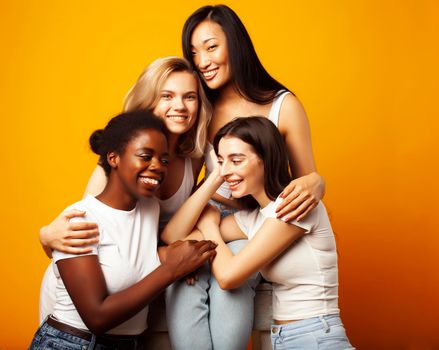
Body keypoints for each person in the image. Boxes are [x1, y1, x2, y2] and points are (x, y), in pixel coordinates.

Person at [162, 5, 326, 349]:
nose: (203, 61)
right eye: (194, 53)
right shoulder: (200, 107)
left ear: (235, 44)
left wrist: (318, 182)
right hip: (209, 215)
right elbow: (188, 186)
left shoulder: (283, 105)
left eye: (211, 47)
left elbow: (306, 180)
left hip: (255, 224)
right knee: (185, 279)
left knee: (233, 278)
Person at [38, 56, 218, 322]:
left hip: (138, 279)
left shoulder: (195, 155)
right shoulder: (116, 160)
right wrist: (44, 236)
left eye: (189, 97)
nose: (179, 106)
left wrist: (176, 254)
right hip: (83, 300)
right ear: (148, 101)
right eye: (166, 96)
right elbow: (86, 236)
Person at [30, 110, 217, 349]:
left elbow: (131, 258)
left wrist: (176, 257)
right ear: (113, 158)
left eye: (164, 160)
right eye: (145, 156)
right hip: (73, 343)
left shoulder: (149, 208)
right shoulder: (81, 220)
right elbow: (97, 317)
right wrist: (171, 269)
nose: (157, 167)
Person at [168, 116, 354, 349]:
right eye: (220, 161)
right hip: (285, 338)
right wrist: (212, 185)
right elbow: (173, 237)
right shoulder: (254, 219)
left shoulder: (294, 205)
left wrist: (208, 225)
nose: (225, 172)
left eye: (236, 160)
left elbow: (228, 277)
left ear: (266, 158)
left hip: (316, 337)